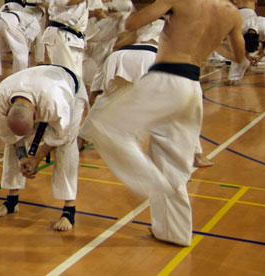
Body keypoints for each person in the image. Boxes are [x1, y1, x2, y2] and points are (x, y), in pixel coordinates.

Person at [82, 0, 245, 246]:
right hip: (192, 89)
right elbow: (239, 56)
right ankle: (174, 233)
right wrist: (209, 40)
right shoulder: (232, 13)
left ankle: (152, 184)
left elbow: (132, 23)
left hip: (166, 80)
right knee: (173, 161)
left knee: (104, 126)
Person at [0, 65, 87, 231]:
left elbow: (60, 135)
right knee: (11, 145)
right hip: (38, 85)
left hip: (71, 90)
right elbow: (11, 135)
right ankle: (12, 201)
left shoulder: (54, 101)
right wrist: (22, 157)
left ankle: (69, 210)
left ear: (36, 116)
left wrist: (37, 158)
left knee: (65, 147)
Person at [0, 2, 44, 79]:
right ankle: (19, 75)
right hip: (9, 22)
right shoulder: (35, 21)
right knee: (21, 50)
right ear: (40, 16)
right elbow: (27, 38)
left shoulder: (23, 14)